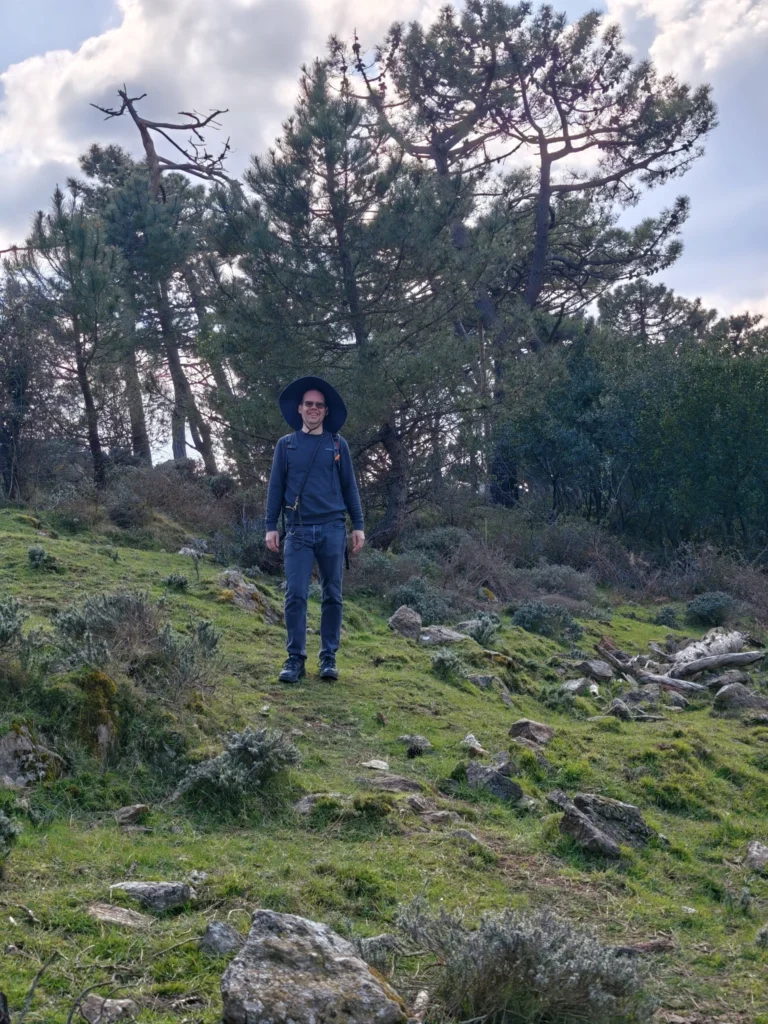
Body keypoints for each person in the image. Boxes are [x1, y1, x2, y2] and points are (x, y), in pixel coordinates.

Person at [265, 376, 365, 683]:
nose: (313, 409)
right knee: (295, 594)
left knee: (332, 595)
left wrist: (358, 525)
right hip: (298, 530)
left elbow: (350, 487)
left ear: (326, 411)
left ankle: (328, 658)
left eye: (319, 405)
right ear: (299, 408)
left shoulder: (337, 444)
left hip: (333, 529)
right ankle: (295, 659)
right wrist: (270, 526)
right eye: (308, 404)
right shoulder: (286, 445)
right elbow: (275, 488)